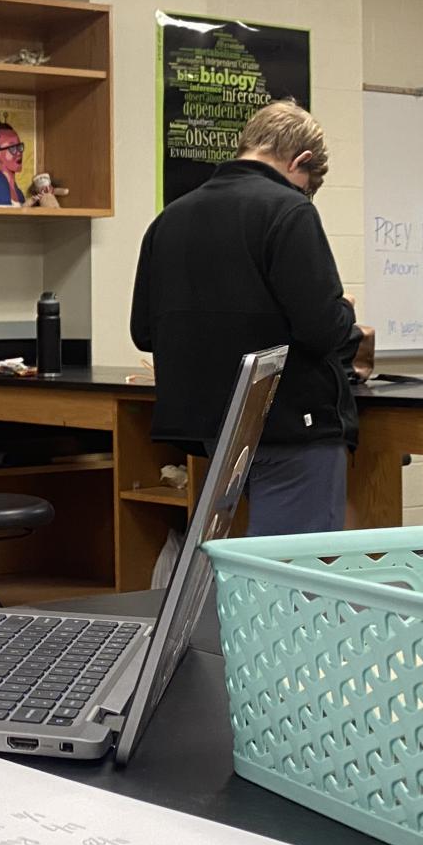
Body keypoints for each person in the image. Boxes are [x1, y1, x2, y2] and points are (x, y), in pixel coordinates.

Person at [130, 99, 363, 536]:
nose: (304, 195)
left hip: (215, 429)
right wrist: (343, 310)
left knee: (242, 568)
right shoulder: (290, 211)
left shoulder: (169, 219)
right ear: (301, 160)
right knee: (294, 576)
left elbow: (144, 332)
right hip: (291, 422)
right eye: (307, 185)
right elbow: (320, 329)